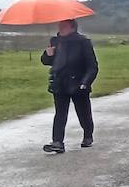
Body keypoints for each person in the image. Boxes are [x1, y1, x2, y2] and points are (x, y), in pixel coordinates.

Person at [40, 19, 98, 153]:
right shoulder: (55, 41)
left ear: (72, 27)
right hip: (60, 82)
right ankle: (57, 142)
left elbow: (92, 66)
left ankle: (88, 135)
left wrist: (85, 83)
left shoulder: (83, 42)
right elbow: (46, 61)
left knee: (83, 112)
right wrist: (48, 55)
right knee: (60, 114)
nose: (60, 28)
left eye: (63, 26)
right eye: (59, 25)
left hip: (78, 83)